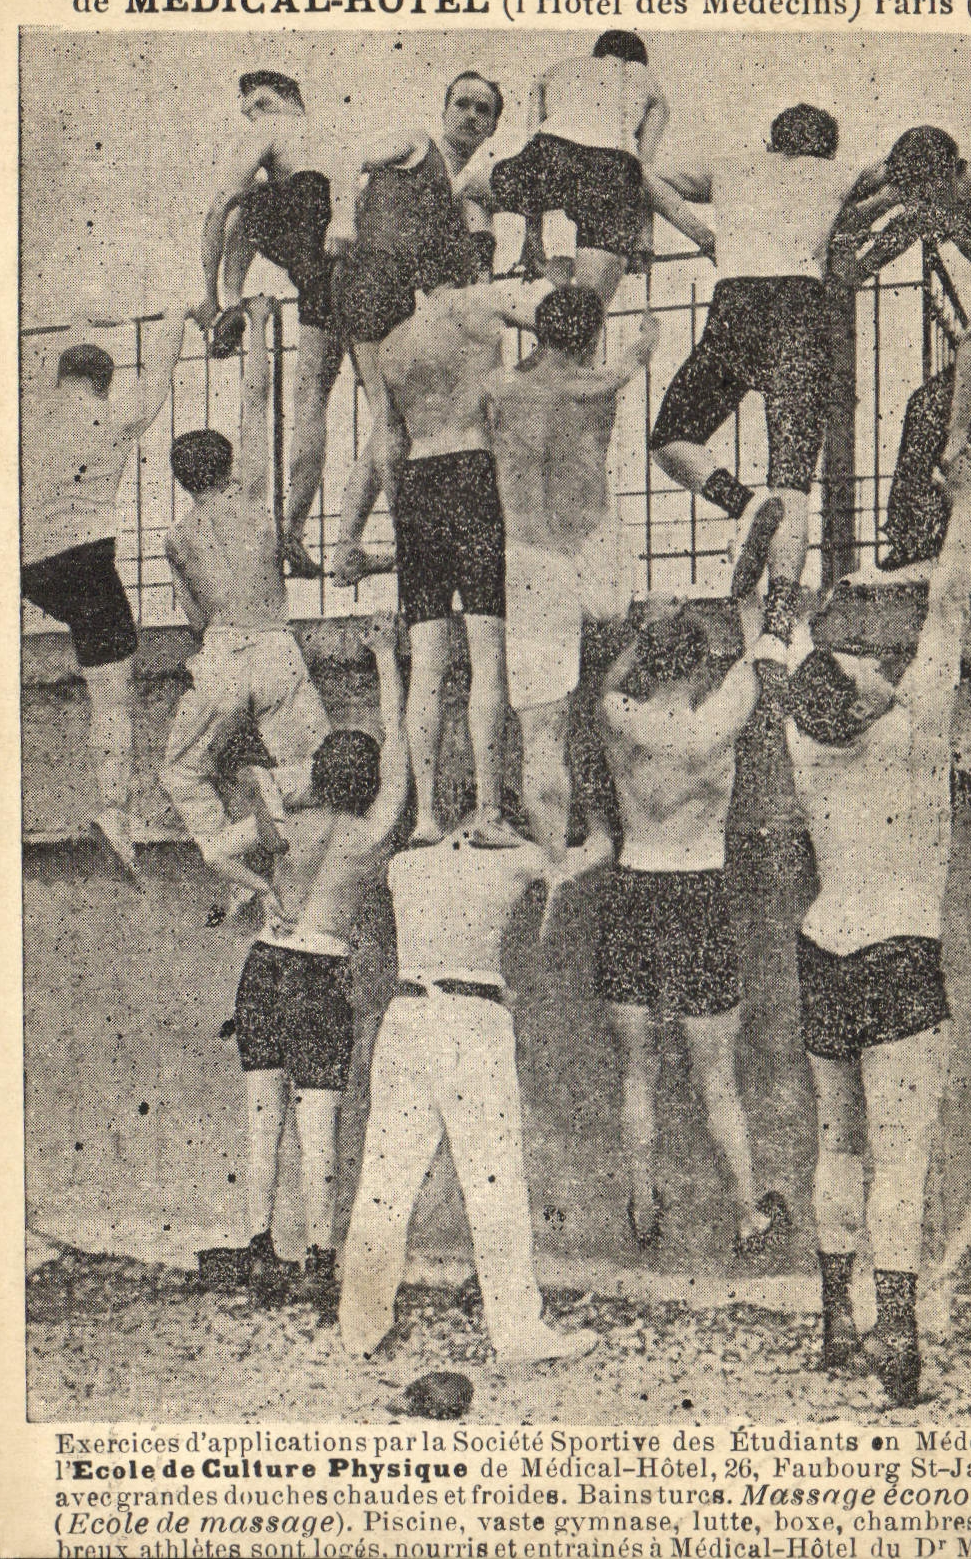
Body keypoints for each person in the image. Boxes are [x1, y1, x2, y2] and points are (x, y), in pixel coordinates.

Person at [782, 448, 971, 1406]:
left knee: (839, 1147)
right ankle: (896, 1334)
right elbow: (947, 605)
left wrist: (783, 576)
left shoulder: (805, 738)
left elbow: (781, 644)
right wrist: (968, 505)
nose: (872, 658)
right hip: (899, 951)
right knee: (899, 1157)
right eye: (863, 662)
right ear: (862, 698)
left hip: (822, 945)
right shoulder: (916, 730)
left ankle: (834, 1319)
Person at [338, 826, 601, 1366]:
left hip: (406, 1013)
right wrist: (594, 824)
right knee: (495, 1183)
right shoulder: (517, 860)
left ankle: (359, 1331)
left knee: (384, 1181)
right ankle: (518, 1333)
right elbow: (591, 852)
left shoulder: (407, 865)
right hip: (473, 1017)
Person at [224, 613, 407, 1315]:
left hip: (265, 963)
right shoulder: (374, 831)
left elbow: (229, 843)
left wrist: (256, 899)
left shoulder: (288, 822)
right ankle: (320, 1256)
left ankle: (257, 1245)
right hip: (321, 972)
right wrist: (387, 661)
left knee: (261, 1116)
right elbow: (401, 748)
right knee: (319, 1123)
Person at [596, 593, 790, 1252]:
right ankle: (746, 1212)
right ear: (699, 663)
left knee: (636, 1069)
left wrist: (643, 631)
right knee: (715, 1072)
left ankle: (642, 1203)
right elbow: (763, 651)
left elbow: (609, 682)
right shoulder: (718, 721)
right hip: (696, 888)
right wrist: (747, 605)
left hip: (631, 885)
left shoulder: (619, 715)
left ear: (648, 662)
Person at [344, 276, 557, 849]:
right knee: (487, 657)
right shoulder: (478, 313)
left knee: (429, 665)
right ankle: (487, 809)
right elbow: (539, 355)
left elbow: (386, 438)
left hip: (417, 484)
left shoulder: (392, 345)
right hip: (471, 475)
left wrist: (393, 518)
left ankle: (426, 817)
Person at [650, 104, 861, 648]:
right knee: (792, 479)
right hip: (800, 309)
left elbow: (645, 174)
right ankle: (779, 624)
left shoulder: (732, 165)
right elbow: (894, 178)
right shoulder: (837, 172)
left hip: (737, 305)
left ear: (771, 139)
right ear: (828, 147)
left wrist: (702, 233)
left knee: (671, 437)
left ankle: (743, 505)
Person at [161, 298, 330, 908]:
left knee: (182, 772)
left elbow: (195, 619)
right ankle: (282, 830)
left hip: (223, 652)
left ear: (182, 480)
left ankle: (228, 849)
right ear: (229, 466)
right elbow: (257, 403)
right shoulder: (254, 500)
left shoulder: (177, 537)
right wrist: (259, 326)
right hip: (277, 646)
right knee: (319, 771)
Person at [831, 125, 971, 572]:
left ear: (952, 177)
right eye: (913, 198)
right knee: (926, 406)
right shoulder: (930, 189)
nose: (925, 211)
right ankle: (914, 538)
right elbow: (900, 216)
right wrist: (858, 263)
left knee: (964, 414)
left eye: (932, 200)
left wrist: (956, 433)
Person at [21, 299, 193, 880]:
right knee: (111, 694)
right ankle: (114, 811)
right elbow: (163, 367)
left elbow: (42, 354)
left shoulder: (26, 413)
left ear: (63, 376)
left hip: (28, 565)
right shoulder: (115, 416)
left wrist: (79, 320)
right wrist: (175, 318)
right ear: (106, 379)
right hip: (86, 565)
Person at [487, 286, 658, 855]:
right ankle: (622, 824)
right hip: (593, 555)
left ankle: (558, 859)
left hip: (531, 559)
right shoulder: (601, 384)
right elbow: (638, 354)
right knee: (610, 683)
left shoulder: (501, 390)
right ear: (589, 338)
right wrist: (646, 330)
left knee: (542, 733)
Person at [328, 71, 505, 585]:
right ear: (445, 108)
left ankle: (347, 547)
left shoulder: (460, 189)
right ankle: (415, 540)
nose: (471, 116)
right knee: (391, 419)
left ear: (492, 127)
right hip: (368, 278)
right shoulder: (415, 144)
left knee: (391, 421)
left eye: (483, 110)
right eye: (463, 104)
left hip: (396, 294)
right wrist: (342, 220)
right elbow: (346, 161)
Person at [197, 69, 353, 577]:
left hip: (320, 256)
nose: (250, 116)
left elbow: (219, 202)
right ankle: (298, 533)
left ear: (286, 99)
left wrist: (209, 295)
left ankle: (228, 302)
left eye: (257, 104)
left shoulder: (277, 130)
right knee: (320, 401)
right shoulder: (333, 140)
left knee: (247, 204)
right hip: (347, 268)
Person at [461, 31, 713, 307]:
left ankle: (481, 284)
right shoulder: (642, 77)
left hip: (551, 153)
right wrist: (644, 239)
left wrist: (533, 239)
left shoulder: (555, 72)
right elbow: (643, 171)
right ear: (639, 59)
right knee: (586, 312)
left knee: (471, 192)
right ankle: (710, 241)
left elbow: (531, 155)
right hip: (612, 171)